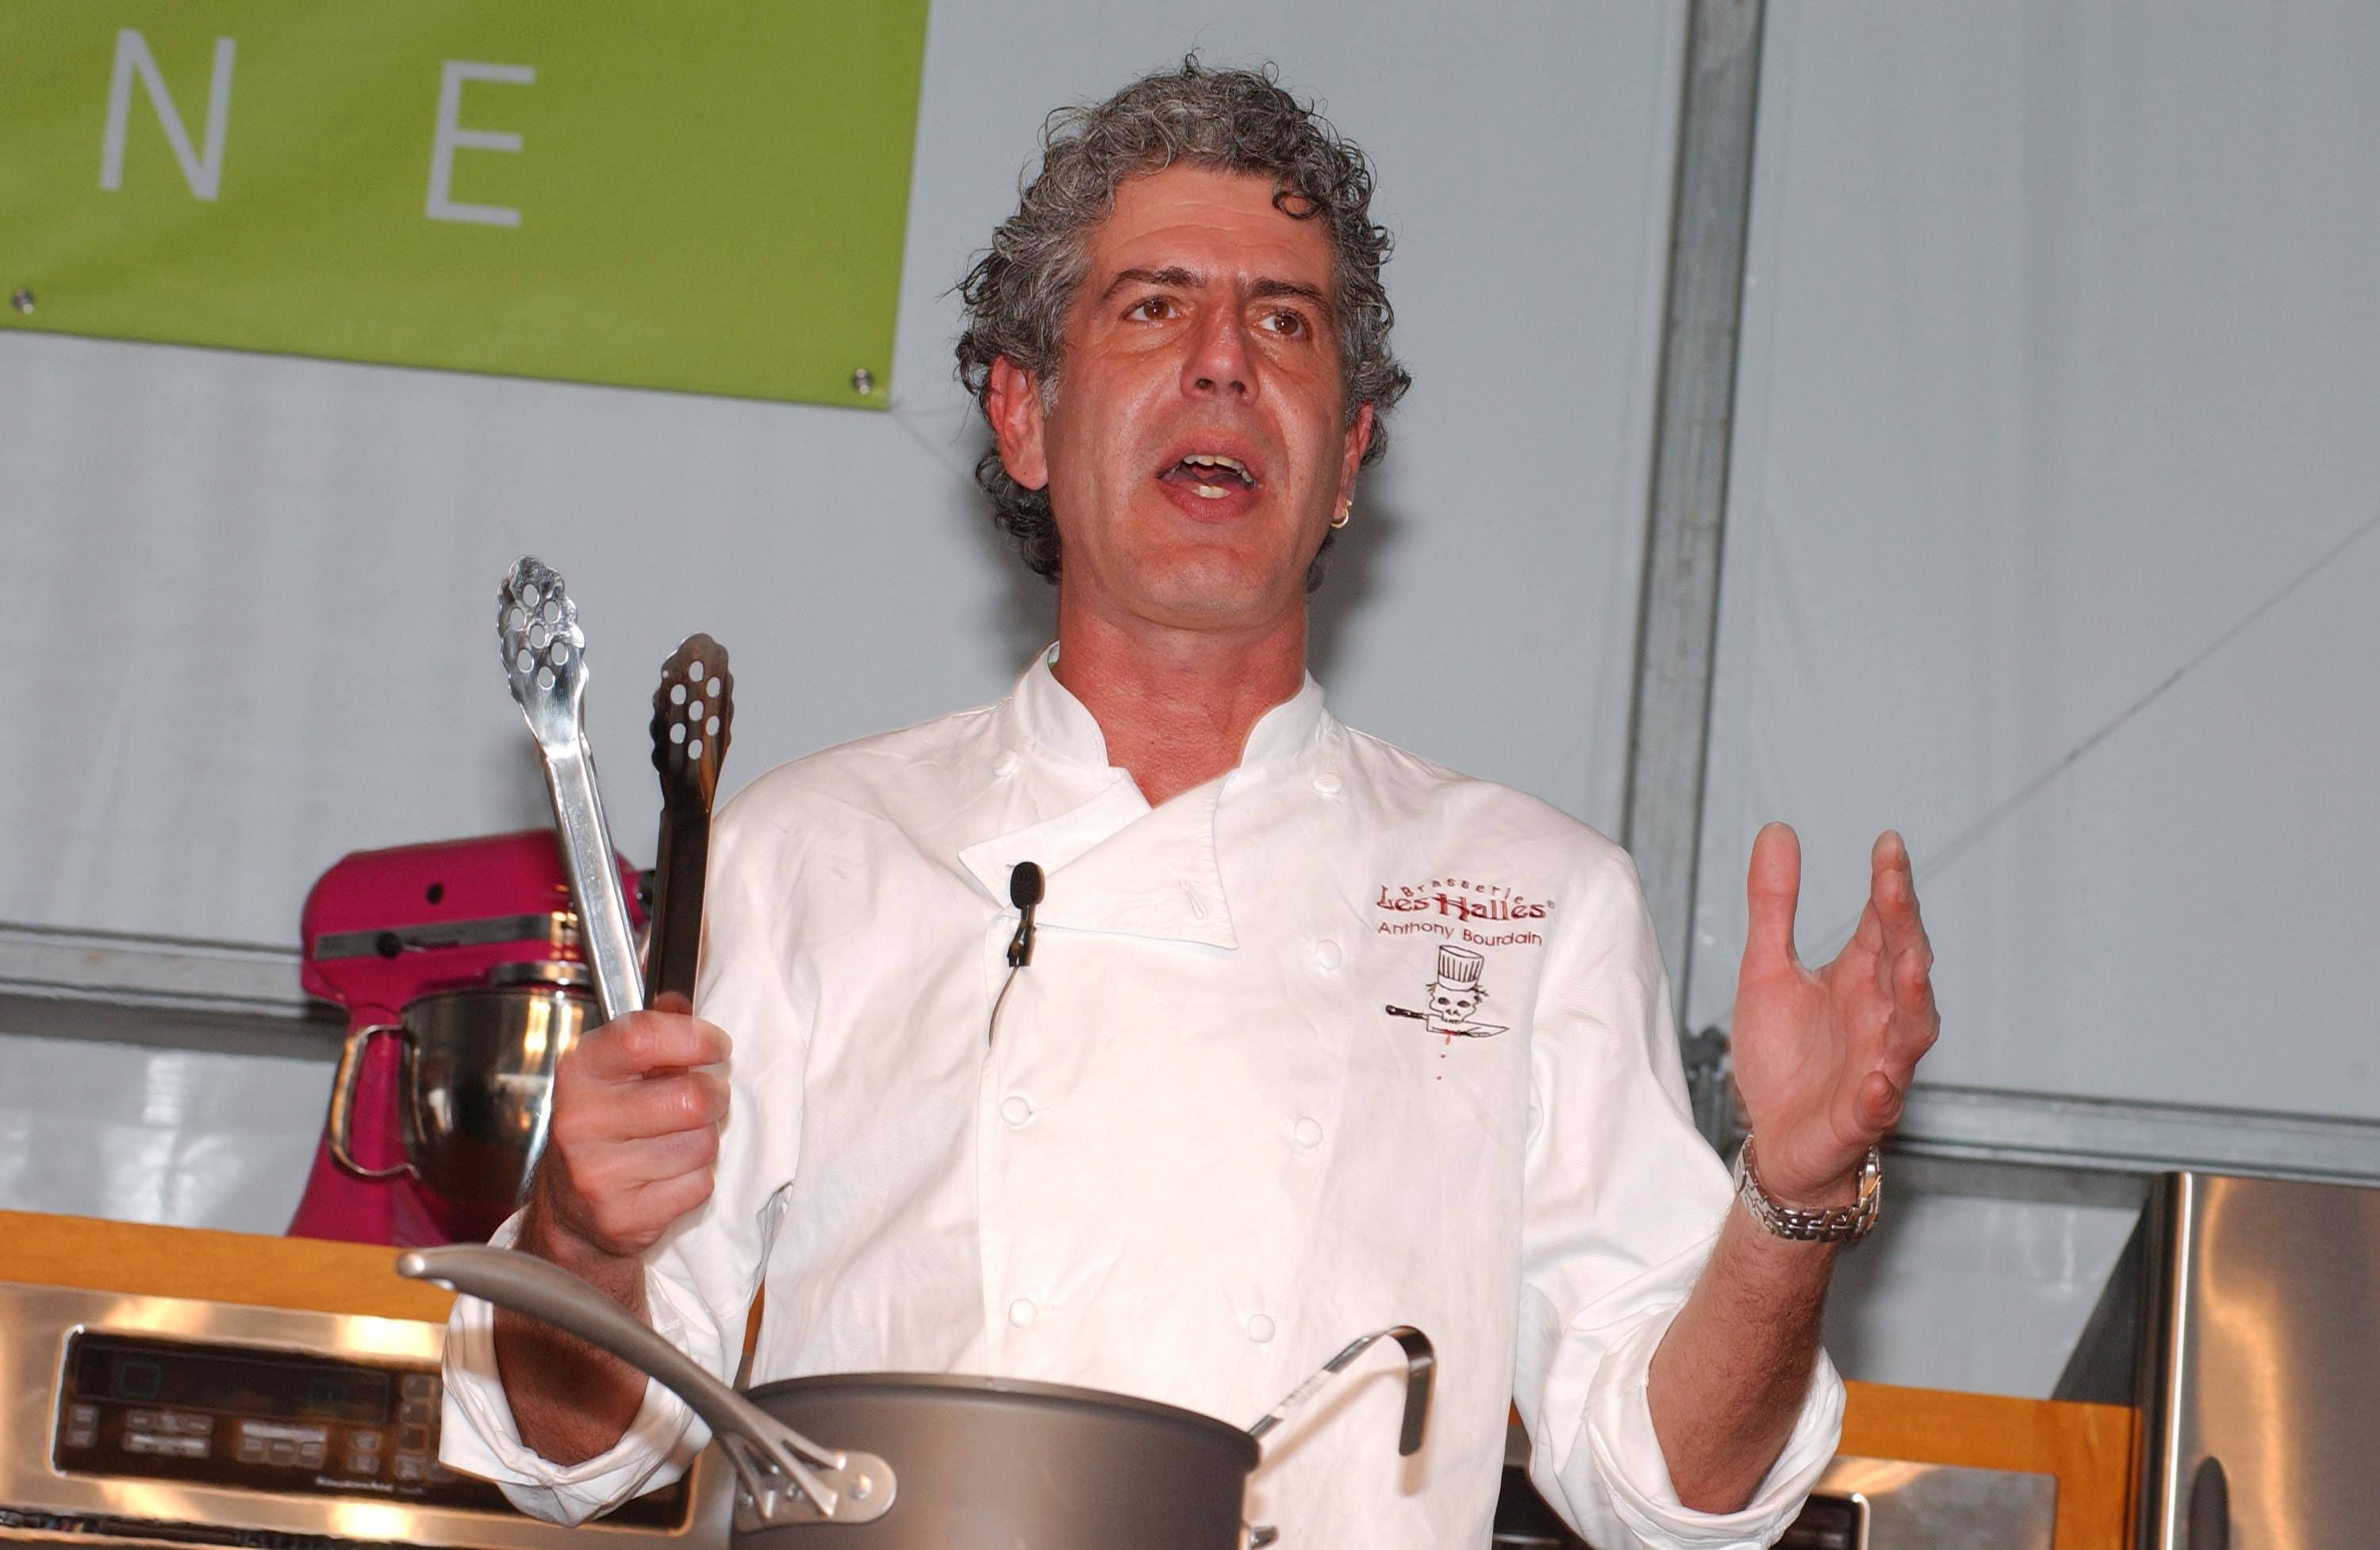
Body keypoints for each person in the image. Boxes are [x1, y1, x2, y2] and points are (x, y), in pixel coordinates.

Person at [437, 61, 1939, 1550]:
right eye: (1153, 306)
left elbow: (1667, 1483)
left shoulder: (1533, 895)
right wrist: (578, 1233)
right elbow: (578, 1450)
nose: (1225, 362)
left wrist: (1788, 1201)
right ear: (1021, 418)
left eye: (1285, 324)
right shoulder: (812, 852)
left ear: (1345, 459)